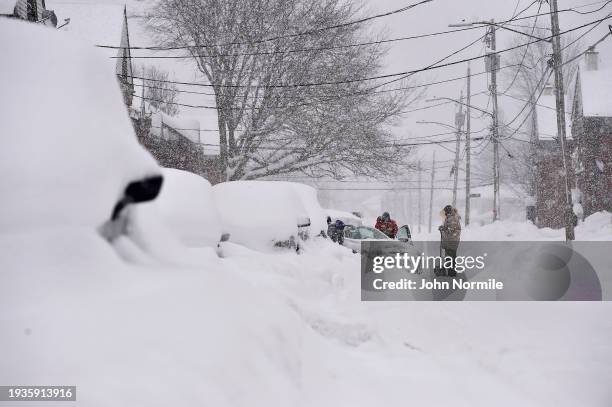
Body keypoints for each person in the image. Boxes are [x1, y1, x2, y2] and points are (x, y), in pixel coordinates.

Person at [439, 205, 461, 277]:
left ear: (447, 212)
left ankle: (451, 272)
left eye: (445, 212)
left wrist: (443, 229)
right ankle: (451, 271)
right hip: (451, 240)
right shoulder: (451, 217)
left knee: (450, 255)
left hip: (452, 240)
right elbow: (449, 228)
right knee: (451, 255)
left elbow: (451, 230)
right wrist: (443, 227)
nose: (444, 214)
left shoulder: (452, 218)